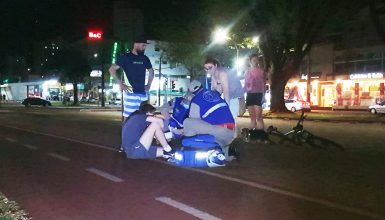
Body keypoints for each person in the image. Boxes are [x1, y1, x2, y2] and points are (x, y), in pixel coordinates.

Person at [183, 80, 236, 159]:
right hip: (231, 131)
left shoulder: (196, 100)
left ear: (191, 93)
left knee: (188, 123)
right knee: (208, 125)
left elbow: (194, 120)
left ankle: (190, 150)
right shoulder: (214, 94)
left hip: (218, 131)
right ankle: (223, 148)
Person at [109, 36, 154, 119]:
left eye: (145, 46)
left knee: (144, 117)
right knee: (128, 118)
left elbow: (151, 71)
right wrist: (120, 83)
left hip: (143, 94)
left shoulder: (145, 58)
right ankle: (126, 132)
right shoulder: (125, 57)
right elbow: (112, 69)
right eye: (143, 45)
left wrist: (149, 85)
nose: (144, 48)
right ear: (136, 44)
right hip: (130, 93)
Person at [244, 54, 268, 142]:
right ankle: (251, 136)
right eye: (254, 60)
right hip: (250, 95)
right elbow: (246, 85)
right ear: (250, 61)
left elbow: (263, 84)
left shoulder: (261, 71)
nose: (256, 62)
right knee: (252, 118)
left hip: (258, 94)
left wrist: (264, 96)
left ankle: (261, 136)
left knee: (259, 117)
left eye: (257, 60)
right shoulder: (247, 71)